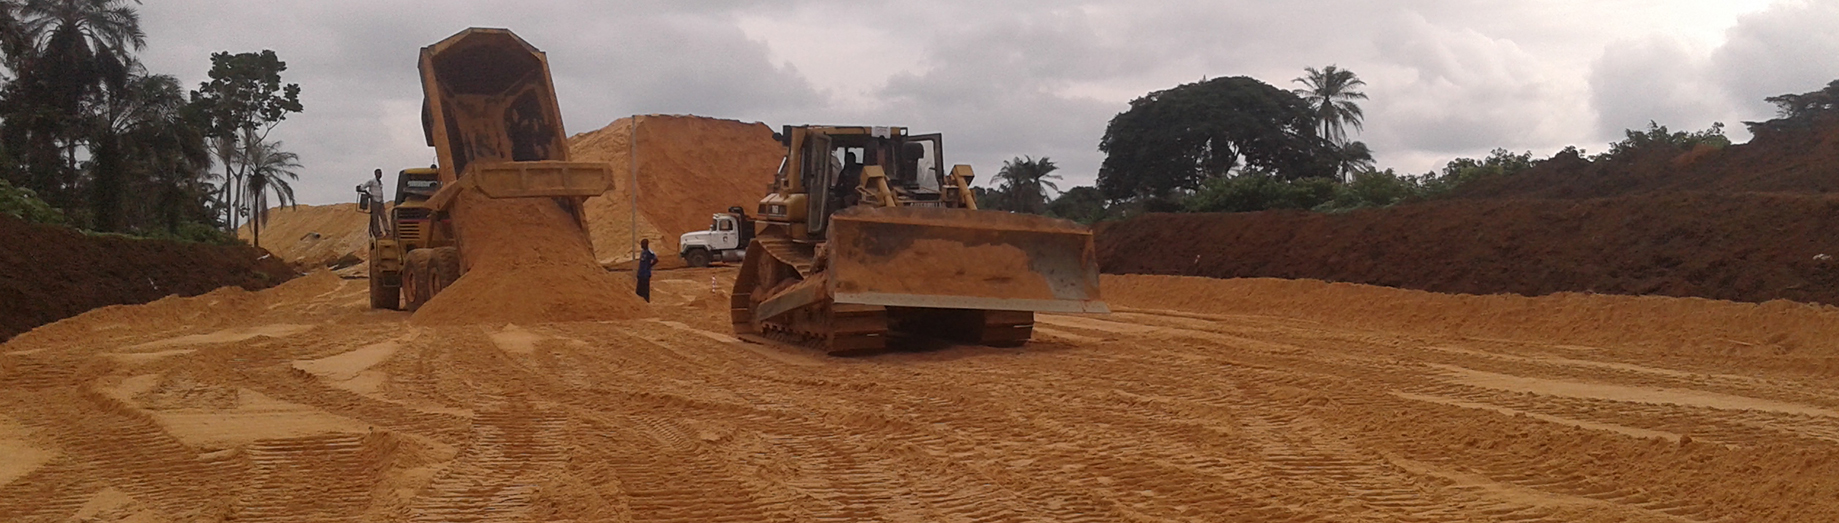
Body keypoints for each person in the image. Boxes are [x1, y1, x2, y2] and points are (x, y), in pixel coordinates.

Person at [359, 169, 386, 238]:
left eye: (380, 173)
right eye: (378, 173)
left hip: (380, 201)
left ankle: (388, 232)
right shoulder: (372, 181)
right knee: (375, 218)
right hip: (375, 201)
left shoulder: (380, 182)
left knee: (384, 217)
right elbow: (362, 188)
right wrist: (368, 194)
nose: (380, 175)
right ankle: (377, 233)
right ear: (375, 174)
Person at [636, 238, 658, 303]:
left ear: (646, 244)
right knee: (639, 290)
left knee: (645, 290)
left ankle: (646, 302)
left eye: (643, 244)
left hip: (646, 274)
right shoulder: (642, 252)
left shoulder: (649, 252)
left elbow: (656, 259)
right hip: (641, 273)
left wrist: (649, 266)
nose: (641, 246)